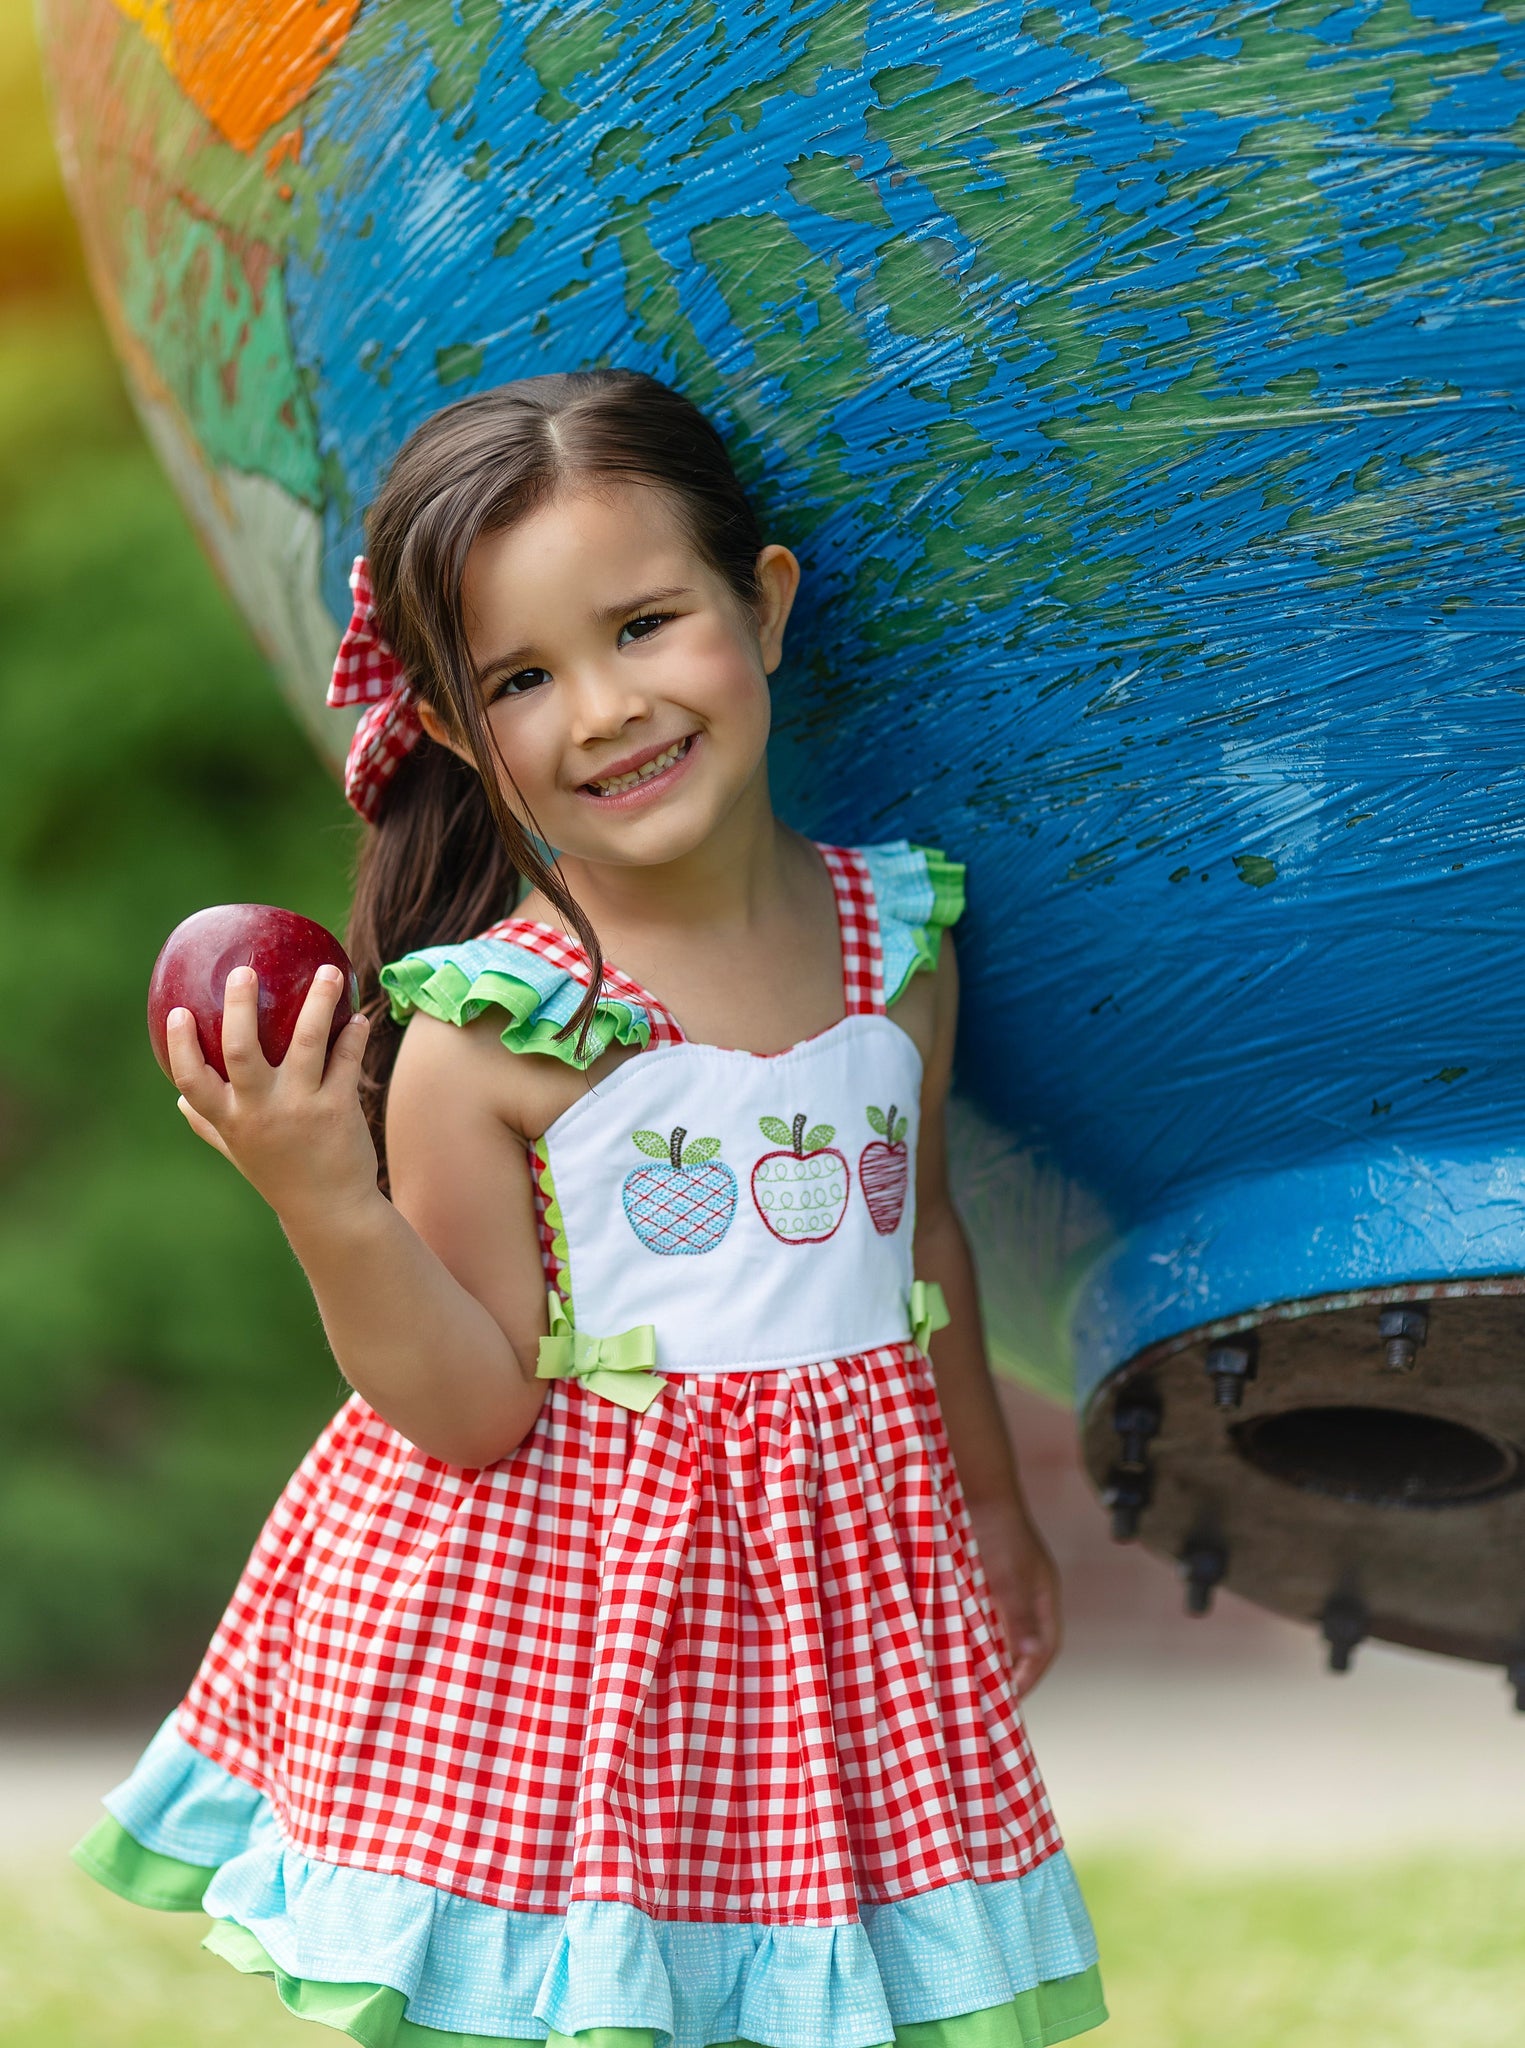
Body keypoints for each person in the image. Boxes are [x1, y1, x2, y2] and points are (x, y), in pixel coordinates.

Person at [74, 370, 1106, 2048]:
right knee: (610, 2004)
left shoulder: (891, 944)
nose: (603, 709)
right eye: (522, 680)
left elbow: (919, 1248)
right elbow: (471, 1410)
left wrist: (989, 1503)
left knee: (830, 1991)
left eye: (642, 625)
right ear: (461, 735)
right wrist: (324, 1194)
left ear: (760, 608)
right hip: (580, 1626)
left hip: (832, 1596)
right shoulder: (487, 1035)